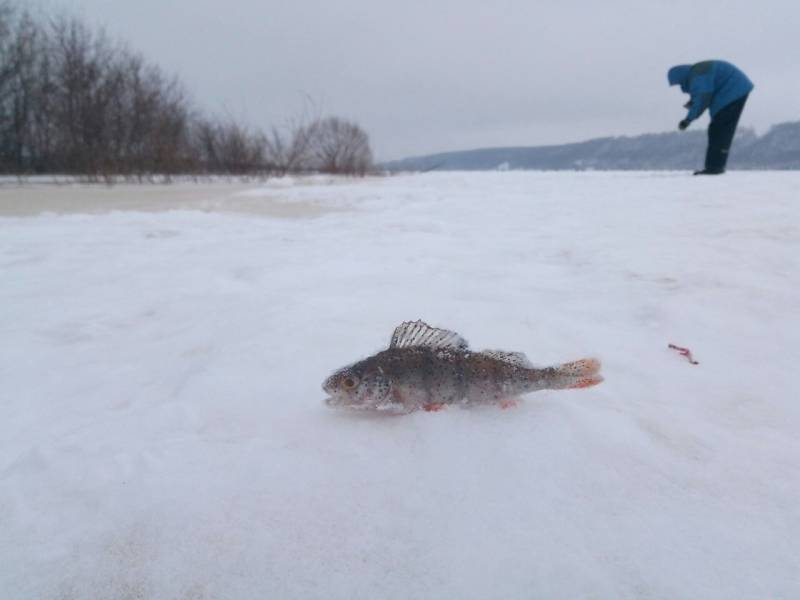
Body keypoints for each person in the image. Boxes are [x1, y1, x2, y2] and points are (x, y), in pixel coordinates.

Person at [668, 60, 753, 175]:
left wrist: (688, 120)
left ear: (681, 77)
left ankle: (714, 168)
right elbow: (702, 94)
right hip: (734, 89)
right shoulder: (697, 73)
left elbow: (702, 98)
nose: (680, 87)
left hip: (732, 91)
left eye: (678, 83)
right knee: (718, 129)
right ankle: (715, 166)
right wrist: (693, 102)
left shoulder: (698, 74)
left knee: (720, 129)